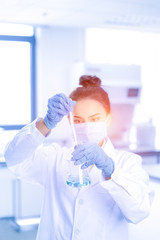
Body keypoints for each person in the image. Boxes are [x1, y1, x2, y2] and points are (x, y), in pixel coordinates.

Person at [4, 75, 152, 240]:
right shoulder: (55, 158)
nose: (87, 126)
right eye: (79, 120)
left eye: (95, 119)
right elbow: (14, 159)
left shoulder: (127, 163)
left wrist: (110, 169)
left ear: (108, 119)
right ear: (70, 122)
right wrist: (46, 123)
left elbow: (139, 212)